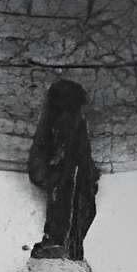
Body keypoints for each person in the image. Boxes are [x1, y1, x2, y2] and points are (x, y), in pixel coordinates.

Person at [27, 77, 98, 261]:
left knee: (79, 210)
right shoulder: (57, 121)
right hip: (61, 177)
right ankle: (58, 242)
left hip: (74, 177)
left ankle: (69, 246)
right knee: (60, 209)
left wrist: (88, 173)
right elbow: (44, 151)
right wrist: (53, 170)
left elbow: (83, 153)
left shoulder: (77, 123)